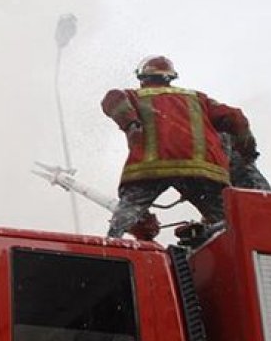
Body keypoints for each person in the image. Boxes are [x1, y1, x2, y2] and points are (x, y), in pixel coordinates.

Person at [101, 55, 256, 238]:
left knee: (128, 211)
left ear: (143, 78)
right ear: (170, 77)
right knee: (226, 220)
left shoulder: (135, 96)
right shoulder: (198, 99)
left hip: (151, 168)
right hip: (201, 170)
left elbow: (112, 98)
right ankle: (236, 242)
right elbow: (236, 119)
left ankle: (112, 242)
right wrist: (247, 151)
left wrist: (130, 124)